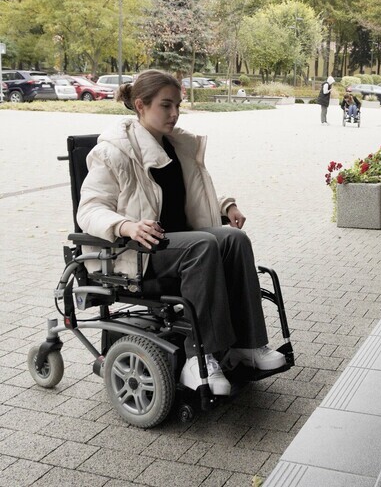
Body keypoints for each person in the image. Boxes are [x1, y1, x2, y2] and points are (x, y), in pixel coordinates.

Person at [77, 69, 286, 396]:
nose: (174, 113)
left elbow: (188, 195)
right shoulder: (113, 152)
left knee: (234, 239)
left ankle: (247, 345)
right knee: (203, 244)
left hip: (178, 245)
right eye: (166, 105)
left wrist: (225, 205)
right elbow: (89, 210)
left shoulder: (176, 145)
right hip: (136, 253)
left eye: (177, 105)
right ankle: (198, 357)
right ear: (140, 105)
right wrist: (127, 225)